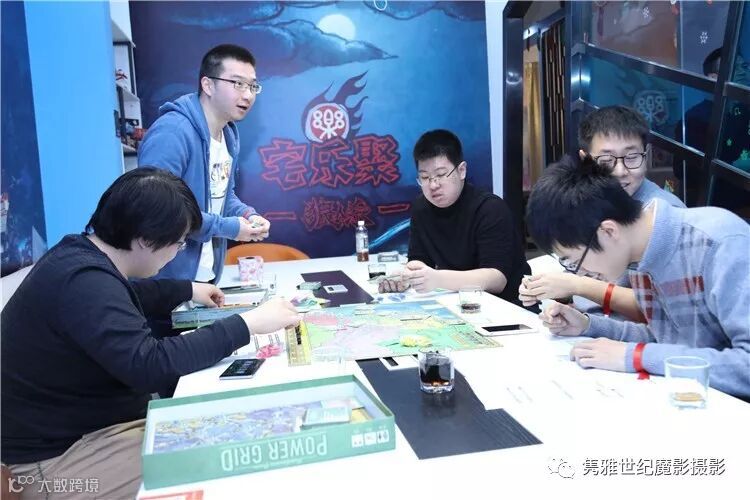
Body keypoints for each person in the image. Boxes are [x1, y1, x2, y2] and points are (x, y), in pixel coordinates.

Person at [1, 168, 300, 499]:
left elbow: (125, 299)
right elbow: (150, 364)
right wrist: (247, 324)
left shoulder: (80, 256)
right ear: (145, 239)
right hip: (53, 464)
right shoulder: (84, 282)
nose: (177, 252)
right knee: (229, 460)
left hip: (92, 432)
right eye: (179, 243)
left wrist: (186, 288)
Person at [525, 155, 750, 400]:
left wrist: (637, 356)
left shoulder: (720, 243)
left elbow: (746, 366)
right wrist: (588, 326)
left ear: (608, 231)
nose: (579, 273)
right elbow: (668, 340)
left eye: (572, 261)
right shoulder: (639, 254)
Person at [519, 105, 686, 319]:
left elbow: (662, 308)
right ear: (585, 159)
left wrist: (576, 285)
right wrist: (557, 293)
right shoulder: (589, 201)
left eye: (632, 157)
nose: (620, 171)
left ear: (647, 154)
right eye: (606, 161)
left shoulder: (662, 216)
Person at [138, 44, 270, 283]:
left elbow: (222, 196)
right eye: (237, 83)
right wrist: (230, 228)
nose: (248, 95)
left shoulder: (228, 135)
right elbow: (157, 210)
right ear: (208, 85)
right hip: (165, 282)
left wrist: (247, 215)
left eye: (252, 86)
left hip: (204, 278)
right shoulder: (173, 132)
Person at [379, 129, 530, 306]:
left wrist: (437, 279)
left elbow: (496, 279)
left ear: (461, 170)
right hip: (459, 304)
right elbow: (419, 259)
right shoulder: (421, 208)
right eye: (425, 177)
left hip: (507, 306)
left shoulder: (490, 209)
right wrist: (407, 275)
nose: (433, 185)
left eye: (440, 175)